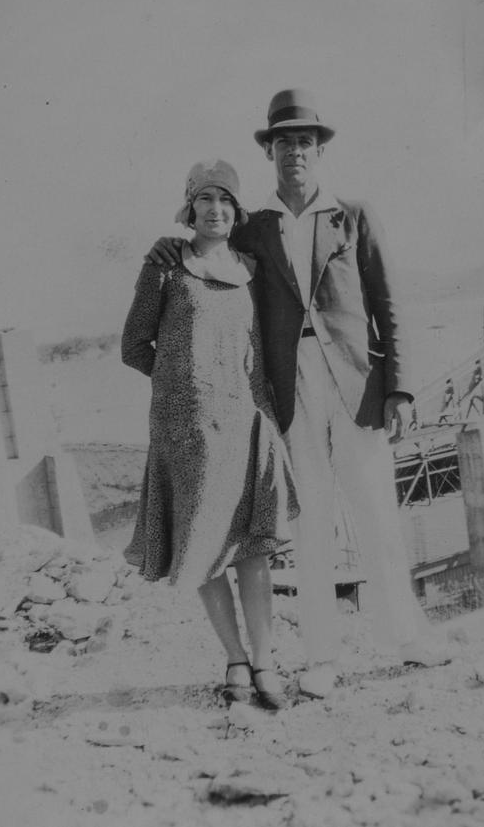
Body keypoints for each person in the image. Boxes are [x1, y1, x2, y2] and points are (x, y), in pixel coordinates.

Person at [148, 91, 446, 698]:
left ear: (319, 150)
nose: (295, 152)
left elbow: (388, 304)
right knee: (308, 522)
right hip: (288, 392)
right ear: (271, 152)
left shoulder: (354, 216)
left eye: (304, 142)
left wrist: (401, 388)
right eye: (283, 142)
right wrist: (166, 249)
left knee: (376, 511)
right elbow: (207, 254)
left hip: (357, 386)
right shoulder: (253, 227)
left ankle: (408, 638)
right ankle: (321, 657)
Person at [122, 159, 299, 709]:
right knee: (203, 545)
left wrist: (256, 409)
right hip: (187, 432)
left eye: (225, 200)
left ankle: (265, 661)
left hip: (246, 424)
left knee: (251, 547)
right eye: (205, 199)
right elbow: (133, 346)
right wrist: (183, 388)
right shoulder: (165, 267)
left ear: (236, 211)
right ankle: (235, 659)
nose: (215, 209)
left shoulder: (250, 269)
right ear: (190, 207)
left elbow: (260, 350)